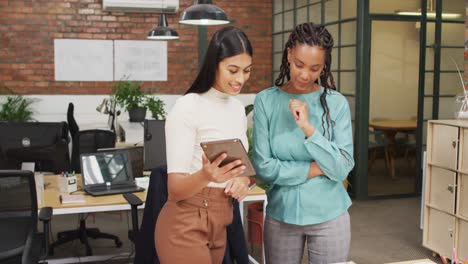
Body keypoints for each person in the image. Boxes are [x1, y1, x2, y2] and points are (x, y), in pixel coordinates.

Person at [253, 22, 354, 264]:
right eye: (299, 64)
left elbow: (342, 167)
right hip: (282, 216)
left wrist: (309, 129)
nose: (305, 74)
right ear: (289, 54)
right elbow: (264, 167)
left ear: (324, 66)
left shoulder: (336, 104)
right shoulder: (266, 101)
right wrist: (316, 168)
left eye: (315, 68)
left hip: (330, 216)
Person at [155, 26, 253, 264]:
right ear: (215, 64)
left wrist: (242, 182)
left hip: (221, 220)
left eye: (247, 70)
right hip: (185, 222)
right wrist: (205, 175)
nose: (240, 79)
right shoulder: (188, 107)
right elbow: (175, 189)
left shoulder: (238, 109)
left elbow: (242, 171)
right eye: (233, 70)